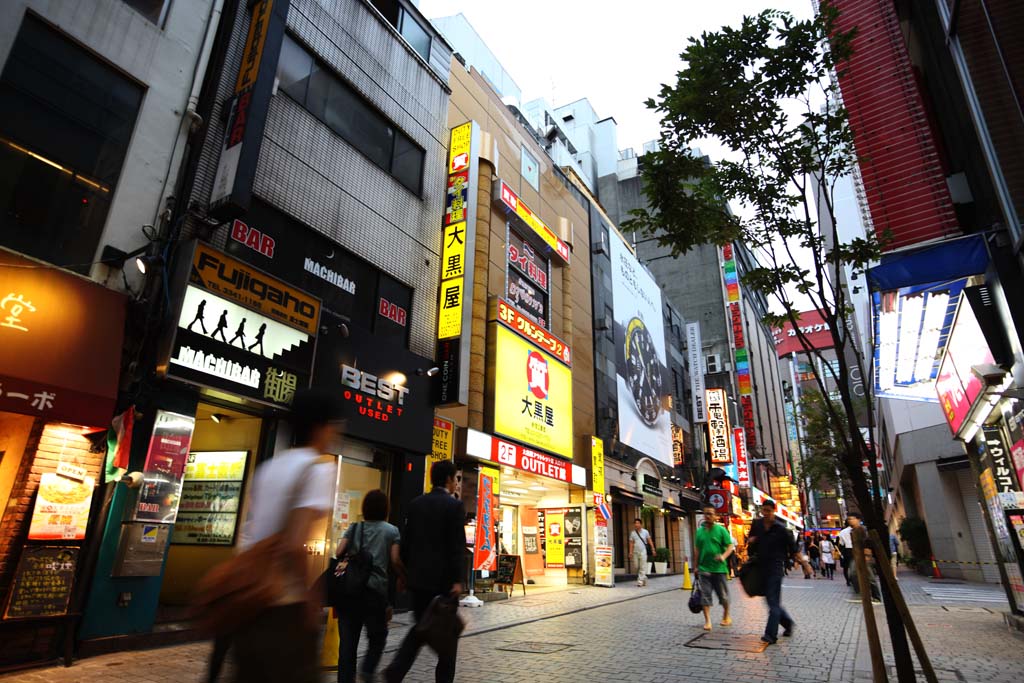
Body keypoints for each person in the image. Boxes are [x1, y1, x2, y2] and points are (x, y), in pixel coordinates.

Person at [229, 389, 340, 683]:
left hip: (249, 600)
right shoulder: (318, 470)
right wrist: (309, 597)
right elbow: (293, 545)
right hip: (283, 605)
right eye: (333, 426)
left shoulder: (269, 467)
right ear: (320, 427)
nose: (335, 434)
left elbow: (249, 534)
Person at [384, 460, 466, 683]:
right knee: (447, 638)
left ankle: (397, 669)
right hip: (444, 584)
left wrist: (404, 575)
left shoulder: (416, 504)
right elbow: (456, 546)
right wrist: (458, 580)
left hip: (418, 581)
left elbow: (408, 542)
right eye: (456, 479)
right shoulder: (455, 506)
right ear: (449, 479)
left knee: (421, 627)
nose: (456, 484)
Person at [336, 489, 403, 683]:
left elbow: (339, 551)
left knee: (347, 647)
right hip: (374, 593)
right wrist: (403, 577)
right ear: (385, 509)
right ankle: (367, 669)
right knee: (378, 637)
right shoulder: (391, 531)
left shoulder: (355, 527)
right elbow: (395, 560)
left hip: (349, 592)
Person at [748, 499, 798, 645]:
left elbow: (793, 549)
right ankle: (787, 623)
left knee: (772, 602)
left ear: (773, 511)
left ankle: (770, 635)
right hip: (760, 567)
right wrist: (751, 541)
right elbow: (751, 540)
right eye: (764, 510)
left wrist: (803, 564)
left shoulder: (781, 529)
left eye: (768, 511)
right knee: (771, 601)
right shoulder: (757, 524)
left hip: (775, 568)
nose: (766, 513)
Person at [694, 506, 734, 631]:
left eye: (711, 514)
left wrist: (723, 556)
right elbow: (697, 550)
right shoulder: (699, 531)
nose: (708, 516)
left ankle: (726, 616)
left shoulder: (721, 530)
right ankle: (708, 621)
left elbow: (730, 546)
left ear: (716, 516)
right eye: (706, 514)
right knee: (705, 595)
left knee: (723, 596)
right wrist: (695, 567)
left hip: (719, 569)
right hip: (704, 568)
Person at [838, 513, 862, 587]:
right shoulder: (860, 529)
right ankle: (858, 580)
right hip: (858, 549)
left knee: (847, 566)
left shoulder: (842, 532)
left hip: (847, 550)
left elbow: (841, 543)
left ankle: (849, 580)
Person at [629, 518, 655, 587]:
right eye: (635, 523)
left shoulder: (645, 532)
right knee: (636, 566)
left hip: (643, 551)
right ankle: (644, 577)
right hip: (635, 552)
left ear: (641, 524)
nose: (636, 524)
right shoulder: (633, 533)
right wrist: (630, 552)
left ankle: (640, 580)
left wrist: (653, 549)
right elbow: (631, 543)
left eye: (638, 523)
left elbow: (649, 540)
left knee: (642, 566)